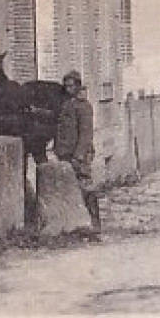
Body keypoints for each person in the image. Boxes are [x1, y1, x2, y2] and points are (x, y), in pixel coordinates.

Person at [53, 70, 100, 234]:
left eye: (71, 86)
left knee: (86, 187)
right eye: (65, 86)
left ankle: (95, 224)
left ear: (78, 86)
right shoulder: (66, 104)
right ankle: (76, 224)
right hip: (65, 153)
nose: (68, 89)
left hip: (78, 155)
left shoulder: (83, 106)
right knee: (71, 189)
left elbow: (86, 134)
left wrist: (78, 156)